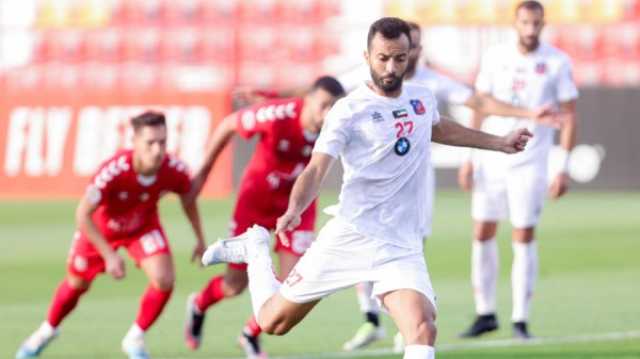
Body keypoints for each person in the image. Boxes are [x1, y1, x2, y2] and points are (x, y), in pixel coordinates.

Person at [201, 17, 533, 359]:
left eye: (400, 59)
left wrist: (499, 142)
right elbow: (316, 169)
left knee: (421, 328)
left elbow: (437, 128)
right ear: (367, 56)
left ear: (411, 55)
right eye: (383, 58)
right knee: (273, 322)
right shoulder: (348, 110)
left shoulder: (421, 98)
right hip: (351, 234)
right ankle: (255, 249)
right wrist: (294, 208)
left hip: (401, 244)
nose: (391, 67)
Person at [337, 20, 561, 352]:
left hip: (413, 181)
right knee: (361, 244)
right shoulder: (363, 80)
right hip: (368, 184)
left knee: (411, 244)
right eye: (391, 52)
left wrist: (526, 114)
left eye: (409, 49)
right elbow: (322, 90)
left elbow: (479, 103)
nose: (400, 58)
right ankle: (370, 318)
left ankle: (403, 320)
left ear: (416, 50)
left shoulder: (426, 85)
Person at [15, 111, 206, 359]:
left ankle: (135, 338)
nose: (157, 150)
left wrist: (199, 238)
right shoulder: (113, 171)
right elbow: (83, 214)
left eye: (162, 142)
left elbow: (188, 198)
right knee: (77, 283)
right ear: (135, 142)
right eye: (150, 143)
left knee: (164, 278)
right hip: (102, 230)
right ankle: (47, 330)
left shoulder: (173, 169)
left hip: (142, 226)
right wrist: (109, 255)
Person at [183, 76, 345, 358]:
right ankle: (198, 304)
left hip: (298, 206)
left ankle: (250, 332)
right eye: (323, 105)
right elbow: (229, 124)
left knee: (297, 283)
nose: (328, 113)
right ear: (306, 100)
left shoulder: (336, 127)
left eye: (334, 107)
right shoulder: (279, 114)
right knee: (233, 286)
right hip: (257, 201)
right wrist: (204, 171)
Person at [457, 0, 578, 339]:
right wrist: (469, 156)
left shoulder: (556, 62)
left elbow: (569, 115)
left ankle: (520, 319)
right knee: (482, 231)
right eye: (525, 22)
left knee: (523, 234)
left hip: (531, 161)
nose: (530, 29)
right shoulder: (495, 57)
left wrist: (562, 166)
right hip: (492, 158)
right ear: (515, 23)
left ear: (543, 23)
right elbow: (479, 106)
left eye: (536, 23)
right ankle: (485, 313)